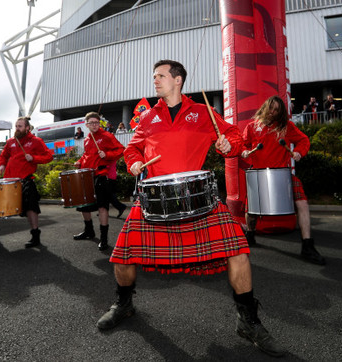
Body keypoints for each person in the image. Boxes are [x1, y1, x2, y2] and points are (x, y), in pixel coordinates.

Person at [96, 60, 284, 357]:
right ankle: (124, 304)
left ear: (178, 80)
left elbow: (235, 137)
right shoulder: (147, 117)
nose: (155, 80)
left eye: (160, 75)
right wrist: (132, 161)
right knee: (123, 254)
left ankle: (248, 320)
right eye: (154, 76)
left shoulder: (203, 113)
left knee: (238, 252)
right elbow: (132, 148)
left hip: (197, 198)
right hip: (154, 199)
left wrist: (227, 145)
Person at [241, 95, 326, 266]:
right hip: (258, 173)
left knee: (302, 203)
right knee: (251, 208)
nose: (272, 112)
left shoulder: (286, 127)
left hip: (283, 175)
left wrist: (300, 152)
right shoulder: (251, 127)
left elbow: (303, 140)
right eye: (270, 108)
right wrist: (244, 151)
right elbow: (243, 144)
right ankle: (250, 235)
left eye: (276, 110)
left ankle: (307, 245)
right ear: (264, 107)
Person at [0, 116, 53, 247]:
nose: (17, 128)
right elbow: (4, 155)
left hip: (25, 180)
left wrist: (34, 158)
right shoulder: (11, 142)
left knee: (32, 208)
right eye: (16, 126)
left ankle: (35, 236)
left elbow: (49, 156)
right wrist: (1, 165)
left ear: (27, 128)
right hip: (8, 179)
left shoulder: (36, 141)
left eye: (20, 126)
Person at [73, 112, 124, 251]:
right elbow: (86, 155)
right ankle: (89, 231)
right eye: (91, 123)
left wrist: (107, 155)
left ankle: (104, 239)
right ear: (86, 125)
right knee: (84, 206)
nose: (94, 125)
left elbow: (121, 150)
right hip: (88, 176)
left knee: (102, 207)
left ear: (99, 123)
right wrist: (79, 161)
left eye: (96, 122)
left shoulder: (107, 136)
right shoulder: (87, 139)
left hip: (102, 176)